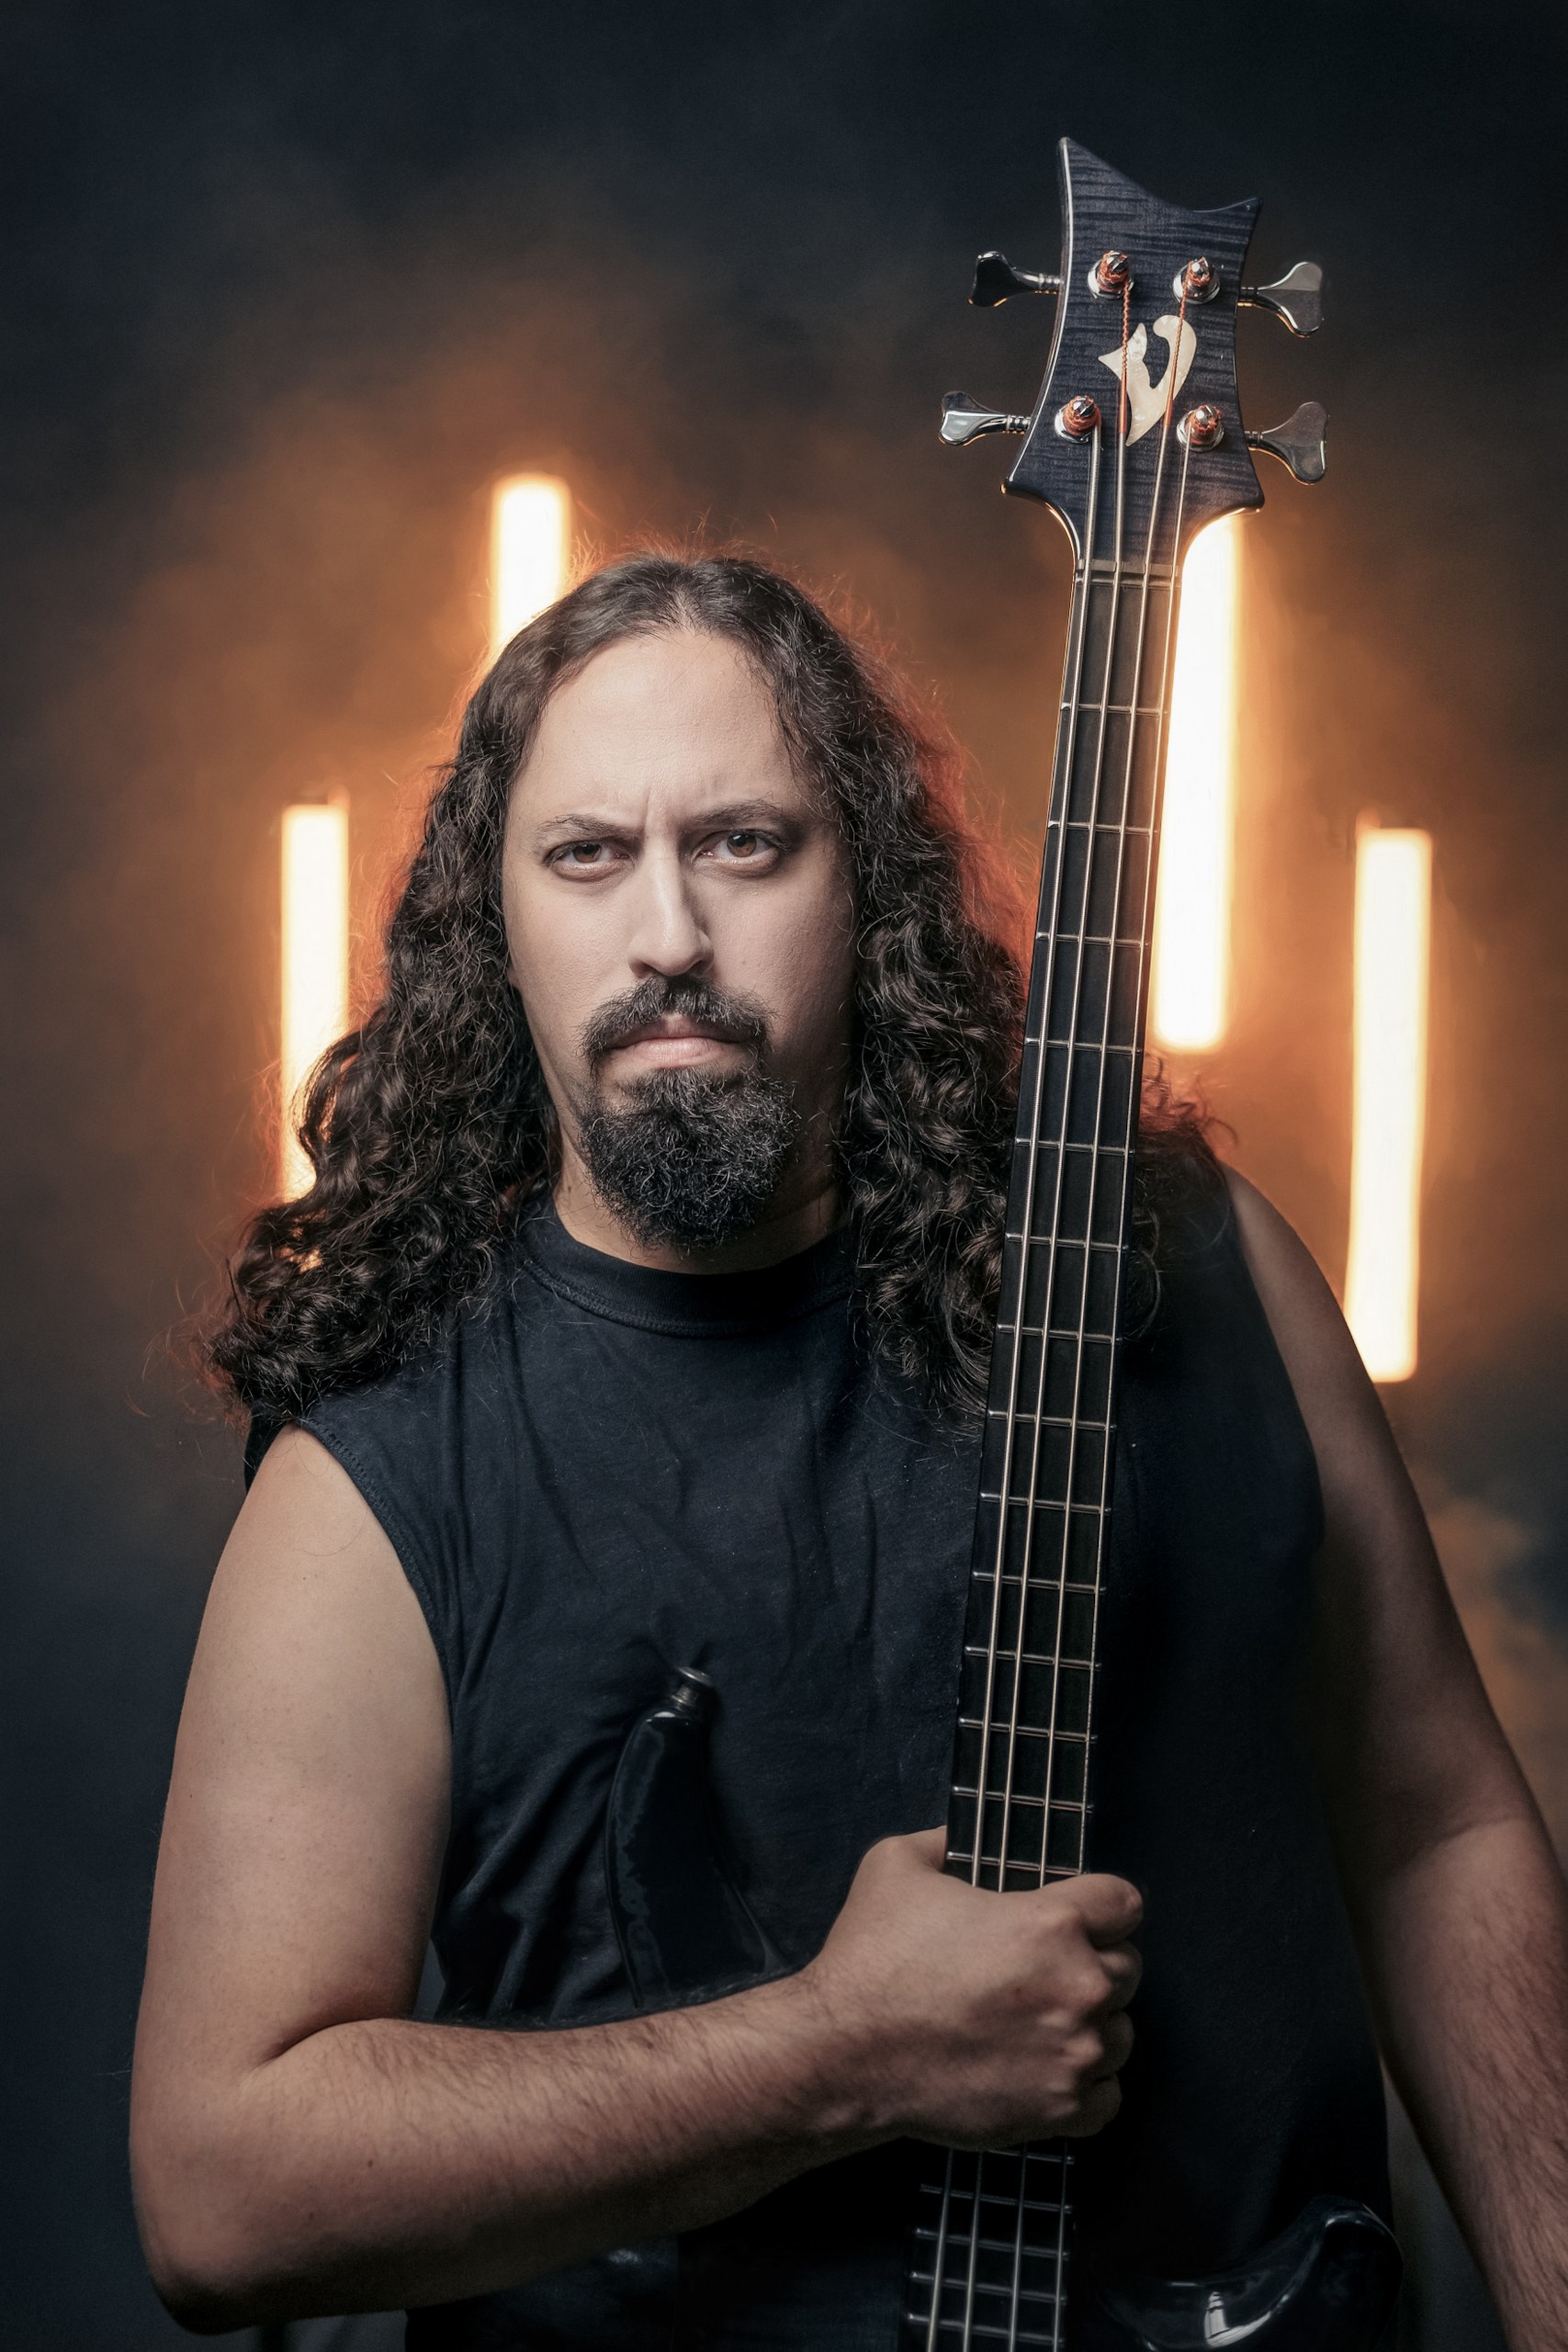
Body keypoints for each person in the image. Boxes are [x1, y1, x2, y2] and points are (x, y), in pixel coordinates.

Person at [131, 554, 1568, 2348]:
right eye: (586, 855)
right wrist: (839, 2049)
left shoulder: (1189, 1267)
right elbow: (222, 2189)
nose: (667, 934)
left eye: (743, 843)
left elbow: (1436, 1824)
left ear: (864, 886)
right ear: (493, 922)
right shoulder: (377, 1478)